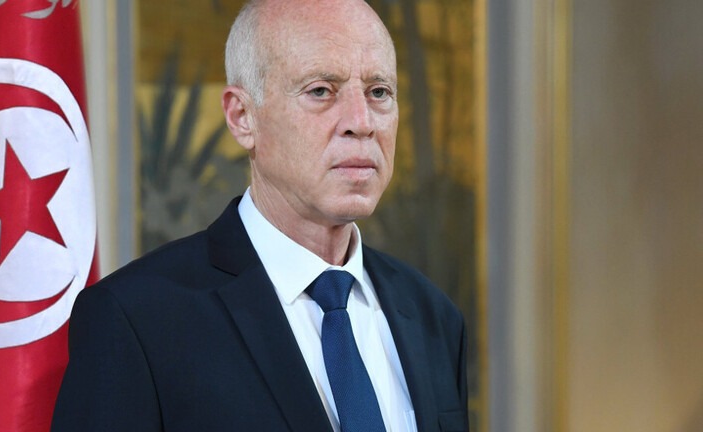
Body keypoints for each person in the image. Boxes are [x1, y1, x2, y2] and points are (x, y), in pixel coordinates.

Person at [51, 0, 468, 431]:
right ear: (242, 117)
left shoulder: (434, 318)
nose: (361, 123)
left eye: (378, 92)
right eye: (321, 91)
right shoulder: (137, 320)